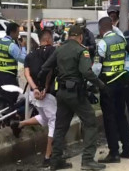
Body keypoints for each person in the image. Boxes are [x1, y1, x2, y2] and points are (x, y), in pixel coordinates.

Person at [38, 25, 107, 171]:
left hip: (61, 94)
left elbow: (45, 68)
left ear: (69, 36)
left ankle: (55, 161)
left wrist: (41, 86)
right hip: (76, 94)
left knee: (60, 127)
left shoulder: (59, 49)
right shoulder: (82, 51)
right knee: (90, 122)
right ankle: (87, 160)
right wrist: (101, 86)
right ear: (80, 37)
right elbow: (86, 72)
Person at [11, 30, 57, 167]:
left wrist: (35, 88)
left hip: (33, 94)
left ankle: (19, 124)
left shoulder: (30, 55)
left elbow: (27, 74)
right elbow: (49, 70)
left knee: (44, 117)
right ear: (49, 39)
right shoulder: (53, 51)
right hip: (47, 95)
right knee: (54, 123)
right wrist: (44, 88)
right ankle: (48, 156)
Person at [97, 17, 129, 163]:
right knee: (121, 115)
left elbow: (98, 67)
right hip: (121, 82)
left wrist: (92, 83)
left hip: (108, 85)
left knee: (109, 118)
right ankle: (127, 149)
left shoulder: (103, 43)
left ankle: (114, 153)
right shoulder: (121, 39)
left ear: (100, 30)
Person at [0, 22, 27, 103]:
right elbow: (22, 59)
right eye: (17, 33)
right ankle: (9, 114)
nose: (18, 35)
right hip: (9, 76)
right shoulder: (11, 45)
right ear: (12, 32)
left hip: (0, 75)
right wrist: (23, 47)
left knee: (3, 98)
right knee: (12, 98)